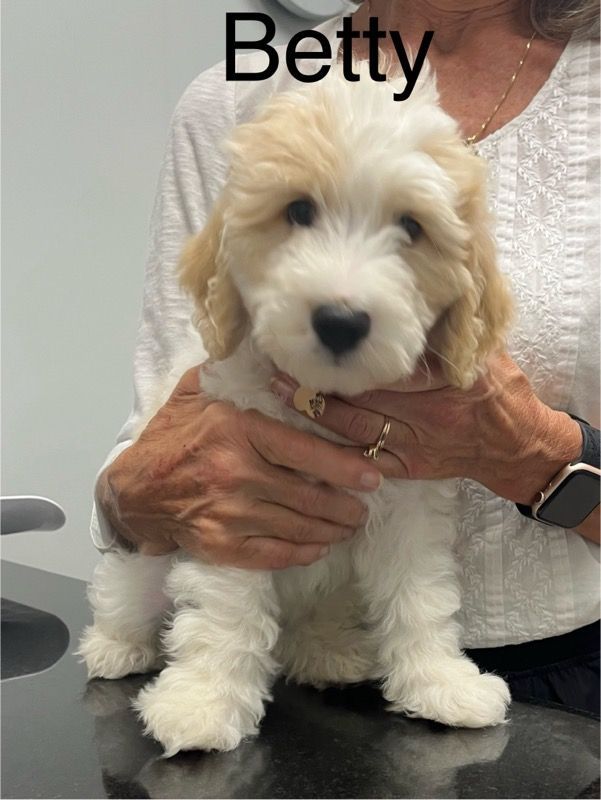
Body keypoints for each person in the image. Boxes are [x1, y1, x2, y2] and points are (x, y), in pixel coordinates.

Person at [91, 0, 600, 714]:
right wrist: (136, 496)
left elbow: (410, 507)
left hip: (577, 682)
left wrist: (539, 455)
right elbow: (154, 474)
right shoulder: (240, 96)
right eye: (301, 214)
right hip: (265, 681)